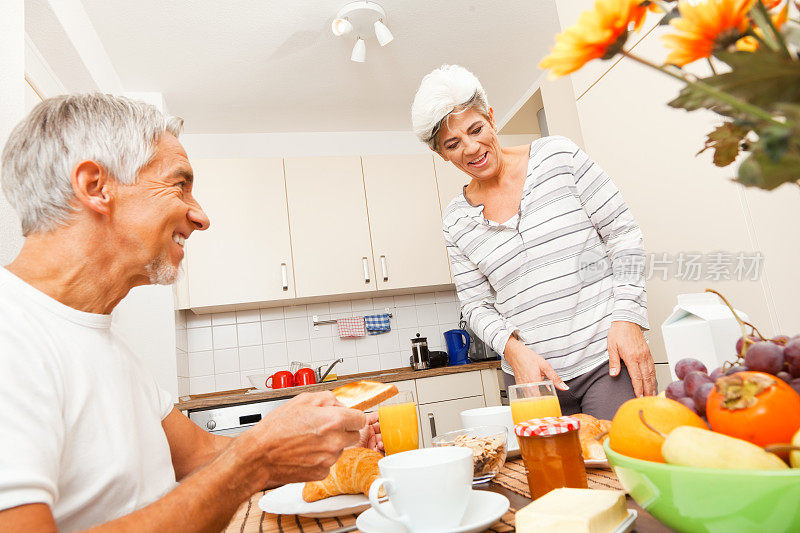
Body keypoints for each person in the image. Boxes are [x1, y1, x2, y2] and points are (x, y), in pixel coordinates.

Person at [0, 93, 381, 532]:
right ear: (95, 186)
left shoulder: (106, 342)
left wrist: (308, 440)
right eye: (179, 184)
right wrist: (254, 460)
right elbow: (237, 465)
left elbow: (198, 456)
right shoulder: (10, 331)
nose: (200, 216)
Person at [411, 65, 656, 420]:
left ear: (491, 118)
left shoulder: (558, 157)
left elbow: (623, 235)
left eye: (476, 129)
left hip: (607, 360)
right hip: (530, 377)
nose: (472, 147)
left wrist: (629, 319)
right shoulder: (456, 220)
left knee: (624, 468)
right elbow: (475, 304)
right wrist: (512, 351)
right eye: (453, 144)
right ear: (441, 154)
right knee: (549, 476)